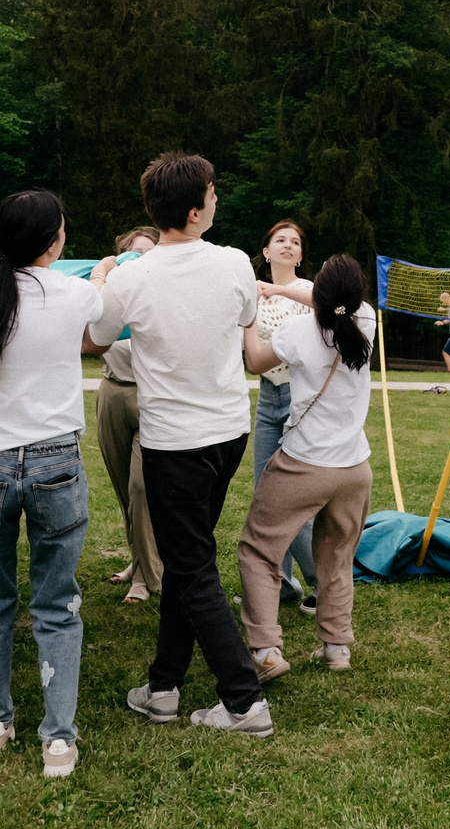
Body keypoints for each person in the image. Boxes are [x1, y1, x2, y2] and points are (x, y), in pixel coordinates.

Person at [95, 153, 272, 737]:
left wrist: (101, 280)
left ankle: (243, 703)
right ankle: (164, 687)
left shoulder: (131, 277)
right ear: (196, 211)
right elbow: (244, 315)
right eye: (214, 192)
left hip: (179, 444)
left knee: (190, 566)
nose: (218, 199)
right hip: (227, 434)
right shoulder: (236, 263)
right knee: (188, 556)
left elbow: (96, 339)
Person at [0, 190, 102, 780]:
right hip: (55, 463)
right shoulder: (77, 292)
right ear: (54, 239)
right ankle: (57, 740)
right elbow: (108, 331)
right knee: (57, 603)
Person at [237, 253, 377, 680]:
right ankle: (336, 648)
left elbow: (256, 362)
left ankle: (265, 651)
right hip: (355, 468)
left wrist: (248, 320)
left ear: (319, 293)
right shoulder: (367, 320)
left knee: (259, 550)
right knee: (337, 556)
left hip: (304, 463)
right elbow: (323, 300)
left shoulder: (297, 329)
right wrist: (281, 288)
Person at [250, 219, 320, 612]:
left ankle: (322, 584)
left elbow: (329, 312)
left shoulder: (307, 290)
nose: (288, 246)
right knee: (265, 494)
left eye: (295, 242)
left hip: (300, 396)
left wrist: (278, 289)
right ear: (266, 251)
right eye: (280, 240)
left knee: (289, 497)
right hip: (267, 397)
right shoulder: (253, 297)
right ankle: (281, 585)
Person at [92, 226, 163, 603]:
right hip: (111, 393)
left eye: (149, 252)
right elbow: (91, 324)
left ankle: (147, 579)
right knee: (125, 492)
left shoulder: (163, 294)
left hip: (151, 399)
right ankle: (138, 562)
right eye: (133, 252)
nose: (141, 258)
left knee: (141, 490)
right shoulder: (109, 292)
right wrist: (104, 272)